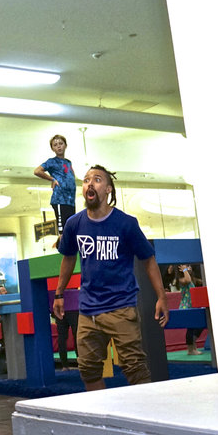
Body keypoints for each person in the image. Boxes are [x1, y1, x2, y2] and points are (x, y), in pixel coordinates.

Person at [52, 166, 168, 390]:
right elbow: (68, 258)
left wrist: (161, 297)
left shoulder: (126, 223)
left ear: (108, 189)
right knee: (88, 370)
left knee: (135, 369)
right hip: (88, 312)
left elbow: (148, 259)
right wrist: (59, 294)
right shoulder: (74, 224)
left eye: (97, 179)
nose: (90, 183)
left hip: (121, 308)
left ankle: (149, 411)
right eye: (86, 180)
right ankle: (102, 409)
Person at [33, 134, 76, 230]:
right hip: (60, 199)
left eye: (61, 144)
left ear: (65, 145)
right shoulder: (51, 161)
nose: (59, 146)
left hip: (71, 200)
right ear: (52, 148)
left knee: (71, 228)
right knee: (63, 230)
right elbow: (37, 171)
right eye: (55, 145)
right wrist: (52, 179)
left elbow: (71, 176)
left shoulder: (68, 162)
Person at [175, 265, 205, 355]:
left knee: (199, 326)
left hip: (193, 306)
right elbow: (187, 280)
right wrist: (185, 269)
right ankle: (191, 349)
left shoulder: (192, 279)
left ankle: (192, 347)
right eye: (187, 266)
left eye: (189, 266)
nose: (190, 268)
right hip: (186, 307)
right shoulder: (181, 280)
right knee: (191, 328)